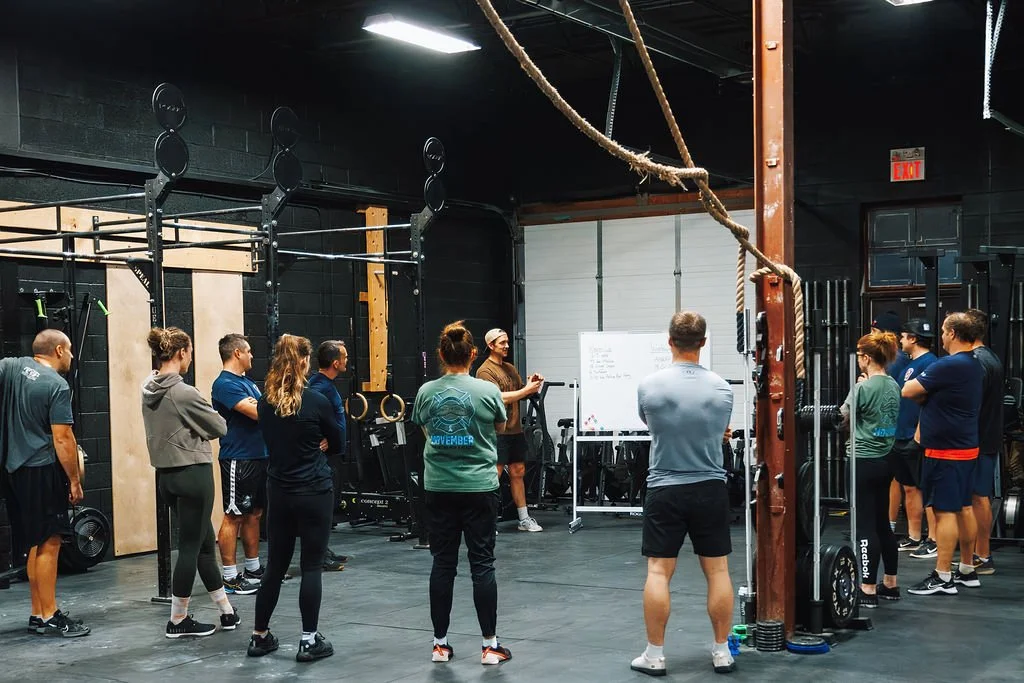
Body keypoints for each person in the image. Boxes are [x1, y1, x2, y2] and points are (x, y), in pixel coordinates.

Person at [630, 311, 735, 677]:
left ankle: (654, 656)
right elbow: (719, 429)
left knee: (658, 572)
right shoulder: (723, 388)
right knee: (718, 570)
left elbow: (651, 424)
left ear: (669, 341)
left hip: (665, 489)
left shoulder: (650, 386)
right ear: (703, 343)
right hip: (710, 487)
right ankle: (722, 652)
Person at [412, 321, 511, 666]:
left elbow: (425, 427)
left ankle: (440, 645)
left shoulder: (427, 392)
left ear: (441, 354)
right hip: (479, 488)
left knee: (443, 563)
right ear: (472, 354)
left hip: (439, 487)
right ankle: (490, 646)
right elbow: (499, 426)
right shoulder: (487, 391)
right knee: (482, 564)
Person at [247, 334, 343, 663]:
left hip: (280, 492)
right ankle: (308, 640)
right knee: (312, 565)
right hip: (313, 491)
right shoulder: (316, 401)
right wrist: (322, 442)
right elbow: (339, 442)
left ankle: (259, 637)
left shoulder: (264, 403)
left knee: (275, 566)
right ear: (304, 362)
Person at [141, 327, 239, 637]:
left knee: (203, 545)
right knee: (188, 548)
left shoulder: (148, 387)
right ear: (182, 352)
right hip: (193, 474)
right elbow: (220, 426)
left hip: (167, 477)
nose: (191, 357)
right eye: (191, 352)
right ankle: (178, 620)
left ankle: (226, 611)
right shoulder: (184, 392)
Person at [0, 329, 90, 637]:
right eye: (70, 350)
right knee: (50, 542)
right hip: (41, 469)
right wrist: (74, 481)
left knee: (35, 543)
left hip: (13, 471)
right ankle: (51, 614)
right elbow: (63, 438)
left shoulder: (12, 366)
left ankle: (38, 613)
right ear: (60, 350)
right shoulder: (56, 385)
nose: (72, 357)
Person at [904, 312, 983, 596]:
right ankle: (966, 569)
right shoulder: (974, 363)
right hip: (964, 445)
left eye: (942, 331)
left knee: (945, 510)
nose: (940, 335)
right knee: (963, 506)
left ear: (951, 333)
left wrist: (926, 395)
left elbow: (908, 390)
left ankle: (943, 576)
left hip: (947, 450)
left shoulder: (948, 365)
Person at [841, 330, 901, 608]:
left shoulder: (863, 388)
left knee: (865, 526)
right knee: (882, 524)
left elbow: (840, 419)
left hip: (862, 461)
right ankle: (890, 583)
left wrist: (856, 389)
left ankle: (867, 588)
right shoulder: (893, 385)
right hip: (886, 460)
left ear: (865, 358)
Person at [475, 328, 544, 532]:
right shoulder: (484, 371)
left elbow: (519, 393)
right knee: (493, 475)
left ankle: (523, 518)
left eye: (507, 342)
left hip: (514, 430)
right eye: (501, 343)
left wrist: (532, 384)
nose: (506, 346)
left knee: (518, 472)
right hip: (495, 431)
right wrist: (525, 390)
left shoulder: (510, 368)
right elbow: (498, 398)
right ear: (490, 346)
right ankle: (485, 521)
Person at [211, 333, 264, 595]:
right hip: (238, 457)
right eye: (249, 351)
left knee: (254, 513)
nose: (252, 355)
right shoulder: (224, 384)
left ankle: (253, 568)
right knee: (234, 515)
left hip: (258, 455)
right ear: (237, 354)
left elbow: (264, 408)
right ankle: (230, 577)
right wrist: (264, 406)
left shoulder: (249, 383)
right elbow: (258, 412)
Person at [889, 320, 939, 558]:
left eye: (904, 336)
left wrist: (919, 433)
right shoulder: (909, 364)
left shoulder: (931, 363)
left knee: (925, 488)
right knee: (910, 488)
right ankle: (914, 536)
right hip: (900, 434)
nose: (900, 340)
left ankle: (934, 539)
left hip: (916, 436)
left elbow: (929, 402)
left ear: (913, 339)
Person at [964, 308, 1003, 575]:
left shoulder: (978, 361)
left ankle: (983, 555)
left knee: (978, 498)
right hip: (984, 436)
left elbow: (971, 404)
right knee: (978, 496)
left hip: (977, 438)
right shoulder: (989, 357)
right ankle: (980, 554)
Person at [306, 339, 350, 570]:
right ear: (335, 362)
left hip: (332, 454)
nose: (347, 360)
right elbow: (310, 413)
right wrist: (319, 437)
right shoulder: (319, 386)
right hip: (324, 457)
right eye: (344, 357)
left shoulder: (325, 383)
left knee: (328, 507)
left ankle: (323, 548)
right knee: (321, 509)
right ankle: (319, 555)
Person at [871, 310, 908, 534]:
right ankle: (887, 523)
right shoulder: (891, 360)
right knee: (891, 478)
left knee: (895, 478)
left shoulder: (895, 361)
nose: (871, 334)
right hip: (889, 426)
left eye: (875, 331)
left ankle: (889, 525)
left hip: (895, 428)